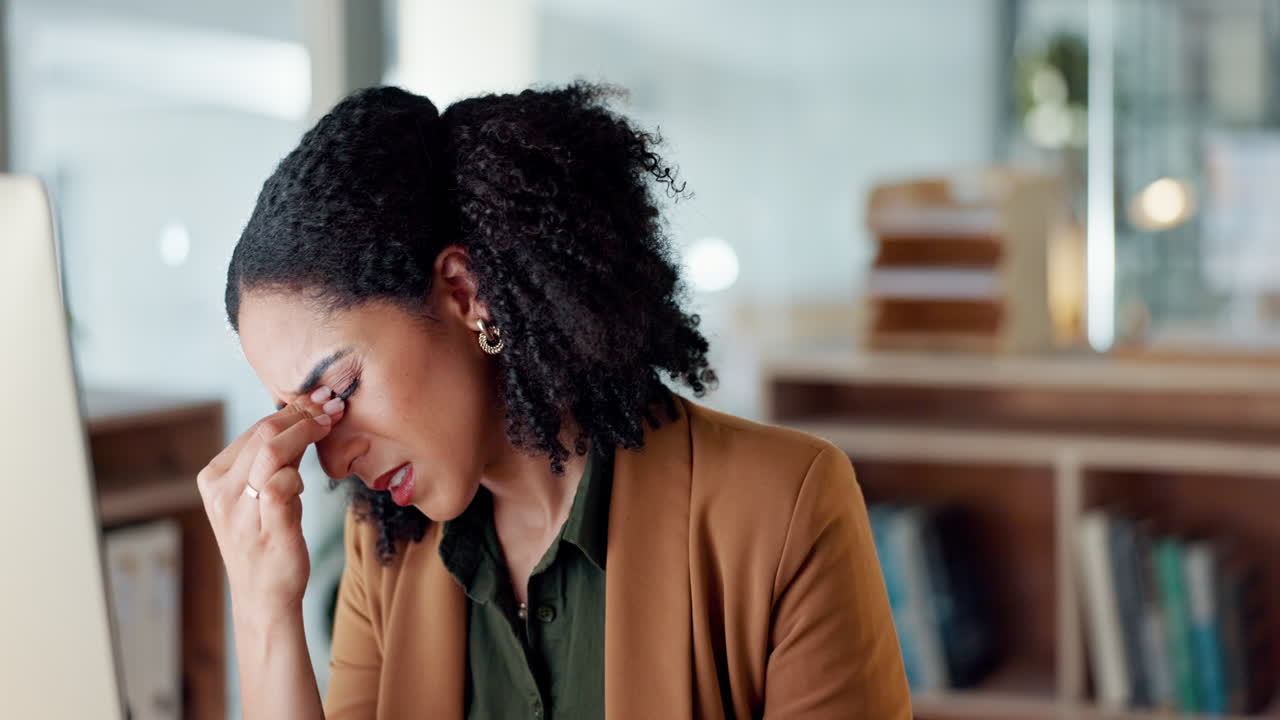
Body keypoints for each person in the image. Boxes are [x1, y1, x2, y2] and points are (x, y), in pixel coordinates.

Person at [199, 83, 910, 720]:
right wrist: (264, 610)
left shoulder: (781, 508)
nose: (330, 455)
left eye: (337, 390)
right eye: (298, 416)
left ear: (463, 292)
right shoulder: (386, 553)